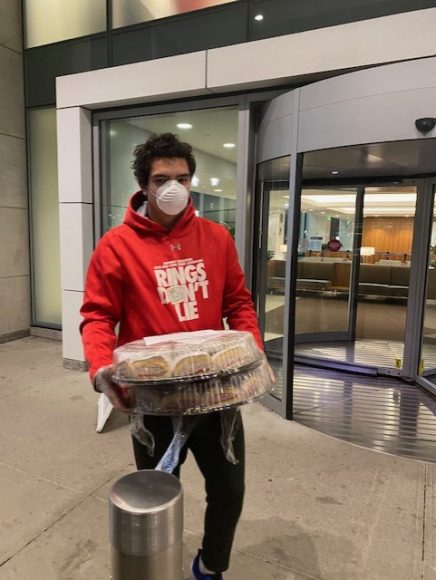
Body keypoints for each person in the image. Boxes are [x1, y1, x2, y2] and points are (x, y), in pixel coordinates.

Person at [80, 132, 264, 579]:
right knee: (160, 492)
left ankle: (210, 566)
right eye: (163, 178)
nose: (174, 188)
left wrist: (250, 347)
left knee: (228, 488)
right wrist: (102, 368)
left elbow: (237, 302)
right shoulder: (117, 246)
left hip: (214, 392)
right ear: (144, 185)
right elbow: (98, 315)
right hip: (154, 398)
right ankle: (159, 566)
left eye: (182, 178)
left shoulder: (216, 238)